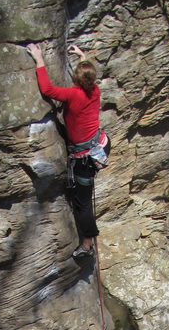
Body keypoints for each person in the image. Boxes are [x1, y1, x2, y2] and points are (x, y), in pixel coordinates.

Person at [26, 42, 110, 259]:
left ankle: (87, 243)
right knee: (83, 193)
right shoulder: (95, 90)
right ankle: (87, 238)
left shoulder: (74, 95)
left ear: (77, 81)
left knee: (82, 204)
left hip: (85, 159)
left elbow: (47, 90)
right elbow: (86, 72)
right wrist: (82, 56)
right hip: (100, 144)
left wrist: (39, 59)